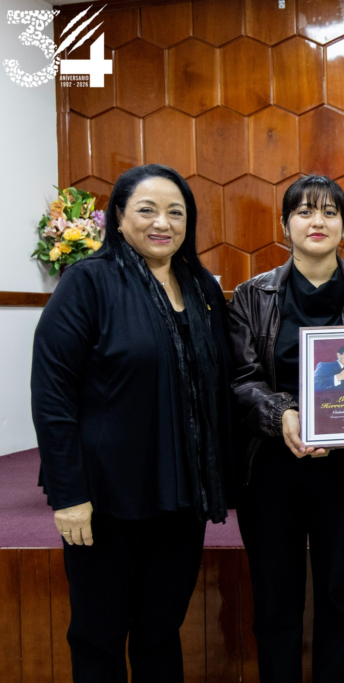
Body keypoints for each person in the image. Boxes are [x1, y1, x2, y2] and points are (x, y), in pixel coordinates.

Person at [31, 164, 235, 682]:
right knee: (98, 635)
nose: (162, 222)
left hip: (181, 496)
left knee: (160, 631)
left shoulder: (203, 289)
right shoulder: (87, 283)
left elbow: (223, 383)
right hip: (105, 500)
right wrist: (68, 495)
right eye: (147, 210)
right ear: (119, 218)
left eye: (175, 212)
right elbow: (52, 395)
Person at [227, 174, 344, 682]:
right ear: (284, 225)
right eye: (305, 211)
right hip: (270, 469)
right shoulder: (251, 295)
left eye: (330, 212)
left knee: (343, 598)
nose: (318, 221)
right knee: (275, 600)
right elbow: (241, 380)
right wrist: (283, 415)